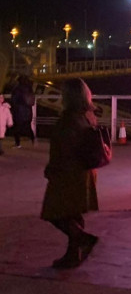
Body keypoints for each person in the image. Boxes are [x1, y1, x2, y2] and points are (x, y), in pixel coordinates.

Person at [41, 78, 100, 269]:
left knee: (53, 212)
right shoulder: (88, 115)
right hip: (84, 171)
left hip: (68, 173)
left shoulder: (69, 119)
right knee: (73, 213)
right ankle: (72, 254)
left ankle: (82, 239)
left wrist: (52, 169)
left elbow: (63, 149)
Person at [10, 75, 35, 147]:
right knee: (28, 126)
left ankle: (17, 143)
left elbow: (14, 100)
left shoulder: (17, 89)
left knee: (16, 128)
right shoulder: (29, 88)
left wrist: (12, 109)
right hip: (28, 111)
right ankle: (33, 140)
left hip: (19, 111)